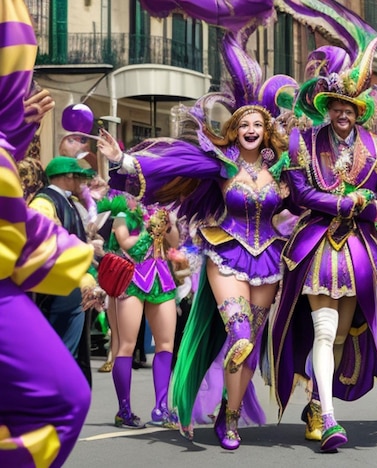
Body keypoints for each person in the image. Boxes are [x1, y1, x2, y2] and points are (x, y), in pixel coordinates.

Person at [98, 28, 297, 448]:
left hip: (269, 260)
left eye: (258, 123)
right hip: (226, 253)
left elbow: (312, 198)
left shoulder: (282, 172)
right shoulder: (221, 166)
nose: (250, 128)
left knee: (251, 344)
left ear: (267, 131)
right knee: (239, 336)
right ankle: (219, 410)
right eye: (244, 123)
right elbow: (170, 163)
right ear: (234, 129)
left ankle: (230, 416)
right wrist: (123, 161)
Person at [271, 38, 377, 452]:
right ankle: (329, 419)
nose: (343, 114)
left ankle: (314, 401)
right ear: (326, 108)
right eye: (336, 107)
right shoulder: (303, 143)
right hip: (317, 247)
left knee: (340, 336)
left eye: (351, 108)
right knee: (325, 332)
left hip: (361, 253)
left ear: (359, 111)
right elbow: (300, 194)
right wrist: (348, 202)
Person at [1, 1, 92, 464]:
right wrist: (81, 266)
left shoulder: (74, 202)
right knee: (58, 396)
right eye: (77, 173)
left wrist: (12, 132)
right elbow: (15, 223)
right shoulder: (46, 201)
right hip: (52, 288)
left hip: (57, 286)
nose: (83, 177)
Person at [94, 195, 180, 429]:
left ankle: (161, 407)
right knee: (126, 345)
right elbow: (124, 242)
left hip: (160, 277)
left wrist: (168, 223)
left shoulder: (163, 211)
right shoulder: (123, 213)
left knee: (166, 344)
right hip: (131, 279)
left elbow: (174, 241)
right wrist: (150, 229)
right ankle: (124, 410)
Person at [29, 156, 98, 385]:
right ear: (68, 176)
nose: (83, 183)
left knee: (71, 353)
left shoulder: (65, 202)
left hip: (72, 286)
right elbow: (44, 245)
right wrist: (87, 247)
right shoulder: (44, 203)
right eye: (79, 177)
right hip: (58, 289)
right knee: (61, 353)